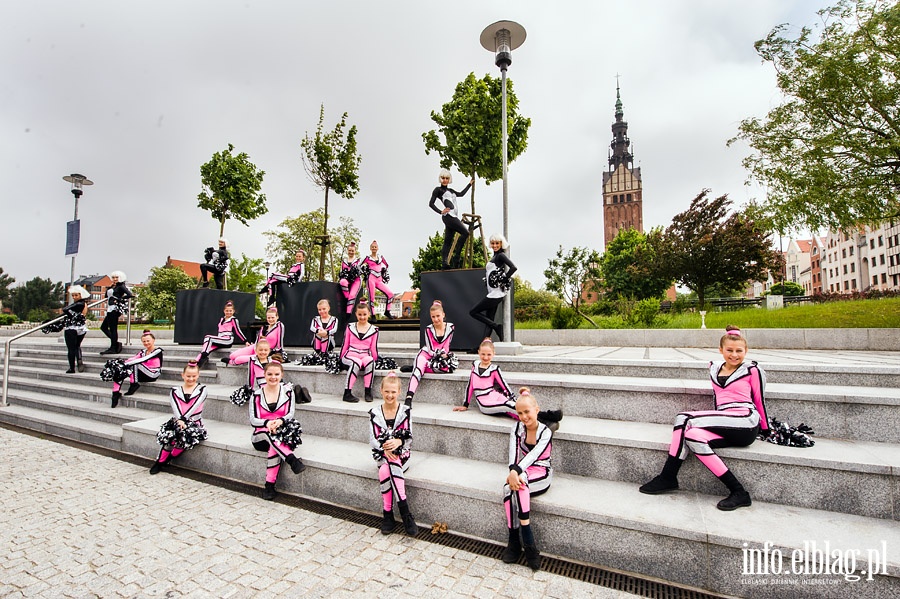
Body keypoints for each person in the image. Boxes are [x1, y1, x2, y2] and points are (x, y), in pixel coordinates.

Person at [639, 326, 770, 511]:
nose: (734, 355)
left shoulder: (752, 370)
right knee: (693, 436)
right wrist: (714, 423)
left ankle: (668, 476)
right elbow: (717, 399)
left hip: (745, 420)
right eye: (729, 350)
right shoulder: (714, 369)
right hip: (725, 421)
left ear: (746, 351)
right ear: (721, 350)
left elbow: (759, 399)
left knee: (684, 418)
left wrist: (765, 428)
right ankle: (739, 492)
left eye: (739, 351)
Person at [454, 338, 563, 430]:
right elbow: (470, 385)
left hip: (495, 396)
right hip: (484, 402)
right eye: (483, 354)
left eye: (488, 354)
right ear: (478, 352)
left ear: (493, 354)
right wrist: (465, 404)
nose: (485, 357)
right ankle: (546, 417)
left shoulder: (494, 369)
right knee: (508, 406)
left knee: (514, 406)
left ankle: (545, 421)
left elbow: (503, 384)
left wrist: (513, 398)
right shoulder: (475, 365)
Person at [502, 387, 553, 571]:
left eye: (527, 412)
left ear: (537, 410)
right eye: (519, 413)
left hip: (541, 471)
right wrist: (513, 471)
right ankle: (514, 540)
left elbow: (534, 456)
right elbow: (513, 453)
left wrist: (517, 472)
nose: (523, 416)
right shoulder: (517, 427)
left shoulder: (545, 432)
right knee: (508, 489)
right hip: (520, 470)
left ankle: (529, 542)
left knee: (520, 486)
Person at [368, 372, 417, 536]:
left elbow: (409, 437)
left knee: (387, 468)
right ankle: (405, 513)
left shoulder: (406, 411)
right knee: (385, 468)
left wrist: (399, 442)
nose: (390, 395)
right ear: (381, 391)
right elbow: (373, 439)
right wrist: (384, 448)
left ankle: (389, 514)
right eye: (387, 391)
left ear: (399, 392)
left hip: (402, 455)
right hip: (382, 454)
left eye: (393, 392)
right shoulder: (375, 412)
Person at [249, 360, 306, 500]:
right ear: (264, 375)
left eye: (276, 374)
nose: (273, 377)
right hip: (260, 436)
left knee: (274, 446)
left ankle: (269, 486)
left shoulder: (288, 392)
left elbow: (290, 414)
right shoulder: (256, 395)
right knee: (271, 435)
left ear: (281, 375)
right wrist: (268, 423)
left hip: (282, 433)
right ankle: (292, 459)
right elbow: (253, 420)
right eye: (269, 374)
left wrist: (280, 421)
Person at [150, 360, 208, 475]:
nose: (191, 379)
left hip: (194, 422)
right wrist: (179, 420)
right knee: (170, 438)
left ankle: (170, 458)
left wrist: (184, 419)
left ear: (198, 375)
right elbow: (175, 406)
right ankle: (159, 462)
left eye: (194, 376)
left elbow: (195, 405)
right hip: (177, 420)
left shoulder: (202, 389)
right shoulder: (175, 390)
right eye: (188, 376)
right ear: (182, 375)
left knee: (184, 439)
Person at [403, 300, 455, 405]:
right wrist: (440, 354)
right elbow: (430, 350)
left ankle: (418, 367)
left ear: (443, 315)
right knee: (418, 371)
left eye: (438, 316)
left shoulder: (451, 327)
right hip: (428, 354)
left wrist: (444, 355)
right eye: (433, 317)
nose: (436, 319)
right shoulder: (428, 329)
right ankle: (409, 398)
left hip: (439, 356)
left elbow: (447, 345)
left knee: (446, 368)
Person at [469, 234, 516, 341]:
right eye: (493, 243)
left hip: (496, 293)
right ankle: (481, 346)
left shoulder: (500, 256)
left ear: (501, 244)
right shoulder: (494, 257)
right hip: (492, 293)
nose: (495, 245)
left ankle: (496, 326)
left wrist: (504, 278)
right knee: (488, 320)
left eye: (497, 243)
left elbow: (513, 268)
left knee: (473, 312)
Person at [428, 169, 473, 269]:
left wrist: (469, 184)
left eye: (447, 178)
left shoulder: (451, 191)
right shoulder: (438, 190)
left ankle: (445, 264)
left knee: (447, 241)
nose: (444, 180)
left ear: (449, 179)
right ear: (440, 179)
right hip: (448, 217)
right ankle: (456, 257)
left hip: (454, 216)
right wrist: (440, 211)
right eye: (443, 178)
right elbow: (431, 204)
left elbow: (461, 194)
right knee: (465, 233)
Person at [111, 330, 164, 408]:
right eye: (144, 341)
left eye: (148, 341)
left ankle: (134, 384)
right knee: (120, 369)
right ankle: (115, 393)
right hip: (142, 374)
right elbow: (133, 358)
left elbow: (143, 359)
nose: (146, 343)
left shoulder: (158, 351)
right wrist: (120, 364)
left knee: (135, 363)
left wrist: (126, 364)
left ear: (153, 340)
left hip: (152, 374)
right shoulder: (143, 351)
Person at [339, 303, 379, 403]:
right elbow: (345, 343)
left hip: (365, 355)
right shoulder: (350, 327)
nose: (362, 317)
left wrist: (375, 360)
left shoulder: (374, 330)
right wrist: (341, 359)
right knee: (356, 362)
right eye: (360, 314)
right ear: (356, 314)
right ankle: (347, 393)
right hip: (350, 355)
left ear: (369, 314)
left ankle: (368, 391)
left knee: (370, 361)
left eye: (364, 314)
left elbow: (373, 348)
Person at [196, 300, 249, 367]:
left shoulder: (233, 320)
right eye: (227, 311)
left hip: (227, 340)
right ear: (224, 311)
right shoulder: (222, 319)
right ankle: (197, 361)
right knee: (209, 347)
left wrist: (245, 341)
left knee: (208, 337)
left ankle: (203, 356)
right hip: (220, 339)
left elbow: (238, 331)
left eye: (230, 311)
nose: (228, 312)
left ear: (233, 311)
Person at [99, 271, 132, 355]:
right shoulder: (114, 286)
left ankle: (113, 347)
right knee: (104, 327)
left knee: (113, 329)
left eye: (116, 277)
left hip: (114, 309)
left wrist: (119, 299)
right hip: (110, 308)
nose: (114, 279)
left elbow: (129, 294)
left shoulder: (121, 286)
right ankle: (115, 343)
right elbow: (107, 296)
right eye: (113, 277)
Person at [362, 240, 395, 319]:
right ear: (370, 248)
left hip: (379, 280)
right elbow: (359, 266)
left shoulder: (380, 257)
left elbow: (386, 265)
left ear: (377, 248)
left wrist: (384, 272)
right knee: (372, 297)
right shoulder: (367, 258)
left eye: (375, 247)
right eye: (372, 247)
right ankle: (373, 315)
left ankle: (387, 311)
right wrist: (364, 272)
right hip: (371, 279)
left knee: (390, 294)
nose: (374, 248)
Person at [62, 285, 89, 374]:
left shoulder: (78, 304)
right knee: (77, 345)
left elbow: (65, 309)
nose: (74, 297)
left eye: (76, 295)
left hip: (72, 327)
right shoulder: (84, 304)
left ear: (81, 295)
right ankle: (79, 359)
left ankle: (72, 368)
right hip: (81, 328)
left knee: (71, 348)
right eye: (73, 295)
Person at [338, 242, 363, 316]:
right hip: (347, 280)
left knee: (352, 295)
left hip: (356, 280)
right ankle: (346, 299)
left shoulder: (358, 261)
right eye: (350, 250)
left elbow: (361, 271)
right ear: (347, 251)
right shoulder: (344, 261)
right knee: (342, 282)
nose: (351, 252)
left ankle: (348, 313)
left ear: (355, 251)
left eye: (352, 251)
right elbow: (341, 272)